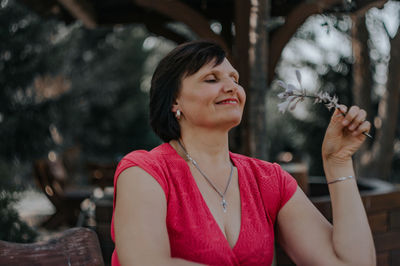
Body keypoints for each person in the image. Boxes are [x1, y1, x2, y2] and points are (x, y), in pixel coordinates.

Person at [111, 40, 375, 265]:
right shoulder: (143, 172)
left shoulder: (268, 180)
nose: (232, 87)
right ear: (174, 101)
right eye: (211, 79)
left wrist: (338, 163)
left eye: (234, 79)